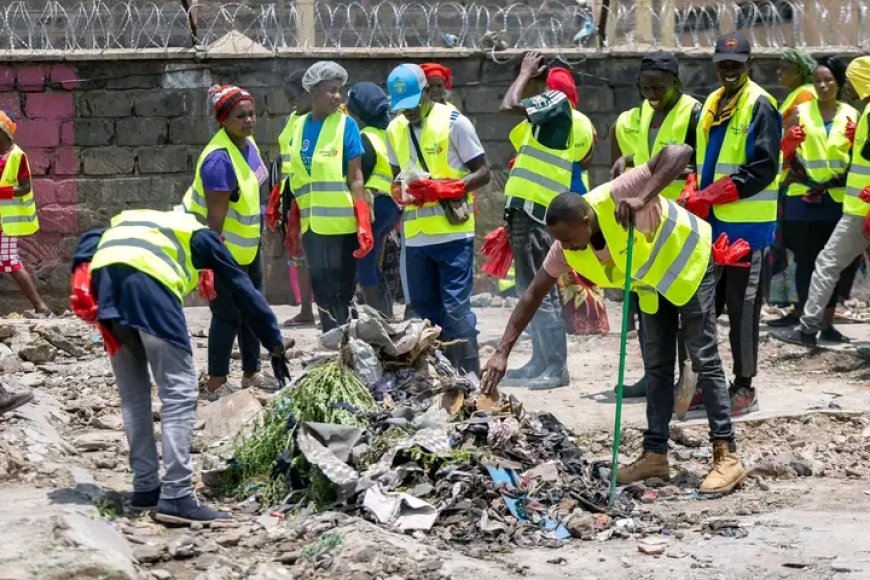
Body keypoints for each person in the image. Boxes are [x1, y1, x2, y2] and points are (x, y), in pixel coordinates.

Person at [481, 144, 747, 494]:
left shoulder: (617, 192)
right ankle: (655, 454)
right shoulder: (565, 246)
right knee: (656, 366)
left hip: (687, 262)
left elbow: (680, 151)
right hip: (651, 284)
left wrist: (644, 197)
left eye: (567, 237)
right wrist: (502, 351)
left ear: (586, 220)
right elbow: (532, 295)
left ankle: (726, 455)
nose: (562, 246)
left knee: (703, 356)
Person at [70, 209, 291, 524]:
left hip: (105, 287)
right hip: (149, 285)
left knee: (134, 395)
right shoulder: (199, 235)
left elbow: (90, 238)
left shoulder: (133, 220)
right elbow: (242, 287)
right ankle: (176, 495)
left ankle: (146, 486)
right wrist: (274, 342)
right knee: (179, 391)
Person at [680, 33, 781, 417]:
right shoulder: (712, 102)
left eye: (736, 64)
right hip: (712, 225)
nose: (729, 69)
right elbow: (703, 156)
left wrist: (714, 193)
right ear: (715, 62)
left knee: (742, 307)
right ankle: (710, 383)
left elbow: (764, 166)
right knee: (705, 307)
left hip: (746, 229)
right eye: (723, 62)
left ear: (748, 64)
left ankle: (744, 386)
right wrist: (695, 185)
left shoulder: (760, 104)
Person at [497, 51, 595, 389]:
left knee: (541, 291)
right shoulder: (548, 119)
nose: (523, 85)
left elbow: (508, 104)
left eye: (527, 77)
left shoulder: (554, 102)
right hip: (527, 209)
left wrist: (524, 74)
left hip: (537, 212)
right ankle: (540, 359)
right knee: (528, 289)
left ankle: (556, 367)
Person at [385, 64, 491, 374]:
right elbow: (396, 178)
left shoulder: (455, 122)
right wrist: (399, 192)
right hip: (416, 238)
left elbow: (484, 172)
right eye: (402, 108)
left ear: (428, 92)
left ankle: (470, 374)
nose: (409, 113)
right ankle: (436, 377)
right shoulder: (394, 129)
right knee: (423, 313)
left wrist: (446, 188)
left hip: (453, 236)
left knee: (456, 312)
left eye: (414, 104)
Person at [609, 51, 701, 398]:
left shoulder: (693, 111)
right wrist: (628, 159)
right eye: (645, 88)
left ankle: (687, 380)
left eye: (658, 87)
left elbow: (699, 159)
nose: (651, 94)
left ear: (676, 82)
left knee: (680, 302)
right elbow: (653, 154)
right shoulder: (645, 113)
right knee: (649, 300)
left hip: (684, 216)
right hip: (649, 218)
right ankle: (654, 376)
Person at [182, 85, 274, 400]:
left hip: (248, 247)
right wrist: (209, 266)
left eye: (251, 114)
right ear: (223, 119)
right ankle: (217, 383)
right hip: (221, 251)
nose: (249, 120)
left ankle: (251, 373)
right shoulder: (219, 161)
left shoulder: (247, 145)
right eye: (240, 116)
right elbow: (215, 219)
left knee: (253, 308)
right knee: (227, 315)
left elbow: (254, 188)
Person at [774, 56, 870, 347]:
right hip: (834, 202)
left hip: (854, 206)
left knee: (828, 263)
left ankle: (808, 329)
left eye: (849, 80)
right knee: (818, 263)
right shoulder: (805, 111)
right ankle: (809, 327)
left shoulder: (858, 113)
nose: (845, 86)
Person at [285, 61, 373, 332]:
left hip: (342, 224)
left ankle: (346, 345)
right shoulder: (298, 126)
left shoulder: (346, 125)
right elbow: (298, 178)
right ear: (313, 92)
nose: (337, 96)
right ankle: (330, 343)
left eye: (339, 90)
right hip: (313, 226)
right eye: (330, 90)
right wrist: (294, 221)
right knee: (322, 288)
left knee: (342, 289)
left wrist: (362, 219)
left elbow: (355, 176)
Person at [346, 82, 401, 317]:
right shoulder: (388, 134)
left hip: (375, 204)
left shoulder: (364, 138)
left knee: (365, 261)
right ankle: (384, 311)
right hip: (392, 205)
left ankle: (379, 315)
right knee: (372, 258)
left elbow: (359, 175)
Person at [276, 70, 316, 328]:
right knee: (299, 254)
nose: (292, 103)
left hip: (318, 195)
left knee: (323, 255)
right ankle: (305, 310)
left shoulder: (327, 120)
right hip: (292, 193)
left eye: (295, 97)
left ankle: (331, 308)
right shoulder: (294, 118)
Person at [0, 111, 50, 316]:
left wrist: (1, 192)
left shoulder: (17, 155)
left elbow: (25, 188)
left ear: (3, 133)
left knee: (10, 261)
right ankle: (40, 306)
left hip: (7, 222)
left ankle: (41, 306)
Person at [778, 48, 817, 126]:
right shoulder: (800, 91)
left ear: (798, 72)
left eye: (784, 69)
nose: (778, 72)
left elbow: (805, 127)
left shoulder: (805, 94)